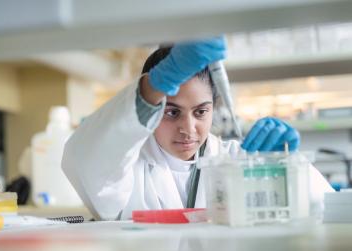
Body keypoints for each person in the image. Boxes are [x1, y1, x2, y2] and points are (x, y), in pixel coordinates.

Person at [62, 37, 333, 220]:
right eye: (171, 112)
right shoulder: (125, 167)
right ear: (152, 105)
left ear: (215, 106)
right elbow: (83, 157)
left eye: (201, 111)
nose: (188, 129)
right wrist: (156, 83)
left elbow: (326, 208)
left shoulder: (239, 159)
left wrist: (284, 164)